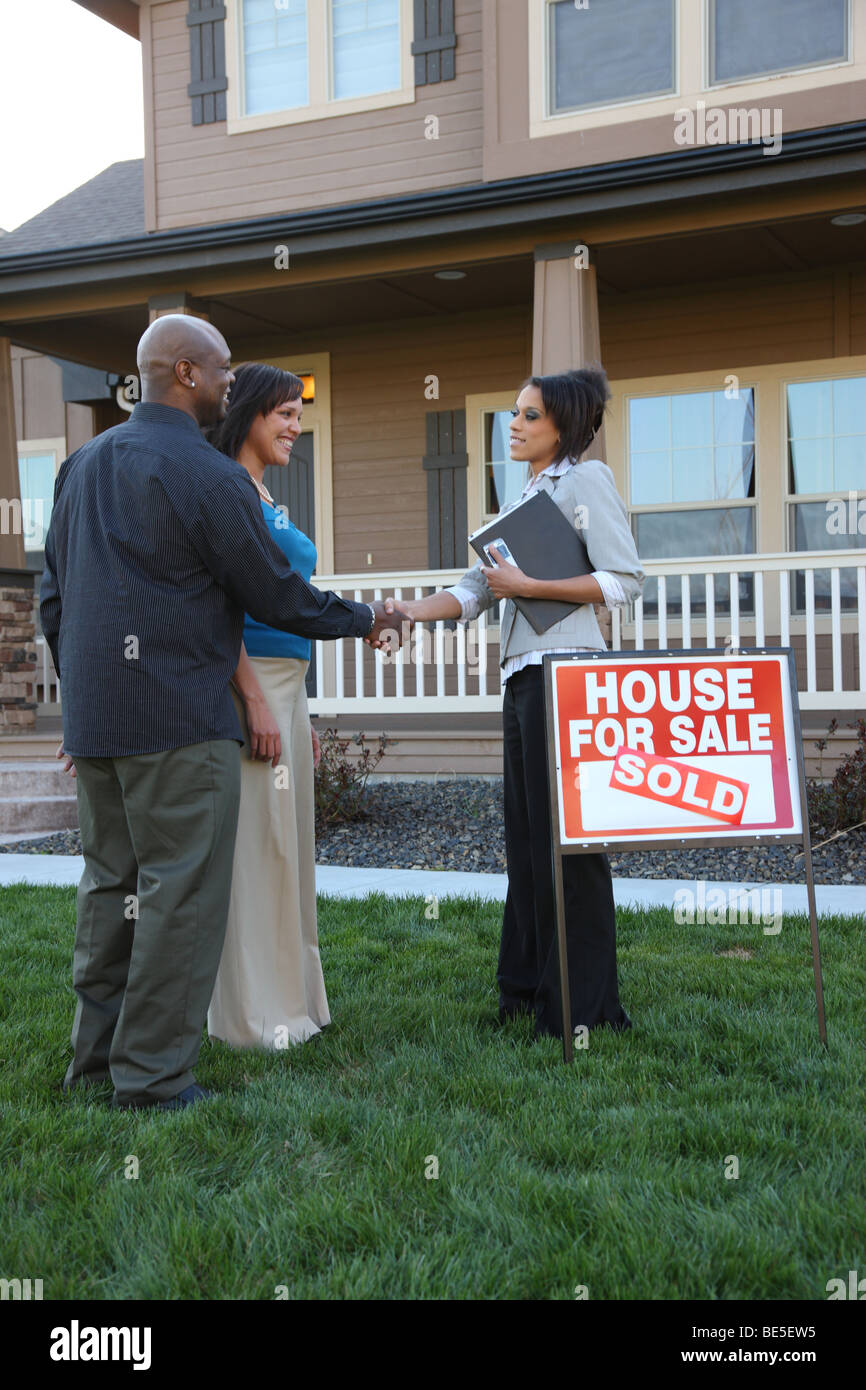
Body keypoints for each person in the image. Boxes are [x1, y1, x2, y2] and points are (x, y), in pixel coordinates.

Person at [41, 315, 410, 1111]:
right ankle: (153, 1079)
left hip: (101, 725)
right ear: (184, 372)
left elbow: (53, 599)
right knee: (181, 898)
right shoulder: (208, 477)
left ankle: (96, 1064)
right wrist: (367, 615)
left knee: (112, 889)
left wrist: (81, 701)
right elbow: (275, 594)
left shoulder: (80, 466)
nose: (231, 384)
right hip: (181, 723)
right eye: (224, 371)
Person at [385, 367, 643, 1039]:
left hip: (571, 678)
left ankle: (582, 1011)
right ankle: (527, 992)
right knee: (528, 844)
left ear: (563, 424)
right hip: (524, 680)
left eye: (530, 415)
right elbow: (473, 592)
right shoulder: (520, 500)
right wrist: (408, 611)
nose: (516, 424)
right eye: (514, 413)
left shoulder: (585, 481)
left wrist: (530, 582)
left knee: (570, 846)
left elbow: (622, 581)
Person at [204, 363, 329, 1049]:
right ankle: (252, 1016)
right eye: (283, 413)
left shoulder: (263, 494)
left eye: (298, 416)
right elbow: (218, 608)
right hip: (248, 683)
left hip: (289, 686)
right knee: (258, 849)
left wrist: (300, 709)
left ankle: (294, 999)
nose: (294, 426)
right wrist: (254, 700)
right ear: (247, 413)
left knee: (289, 848)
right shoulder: (227, 492)